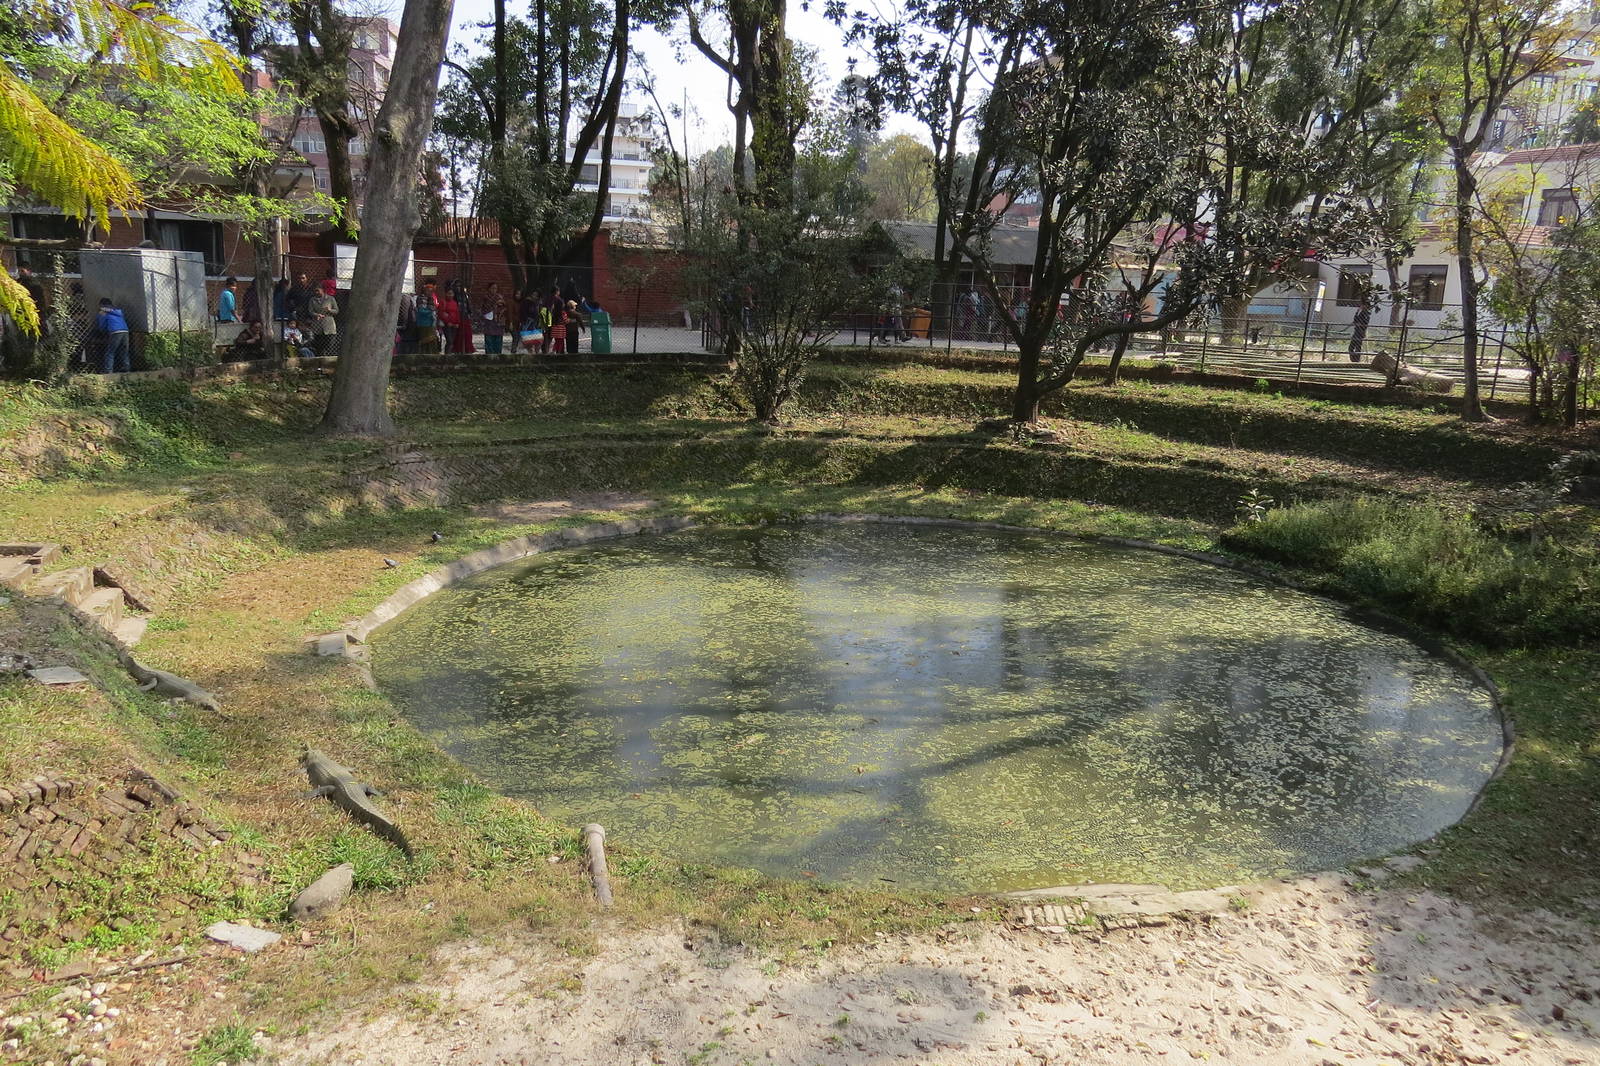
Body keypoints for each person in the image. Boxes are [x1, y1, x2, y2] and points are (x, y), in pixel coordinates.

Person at [93, 297, 131, 374]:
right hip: (125, 331)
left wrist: (102, 331)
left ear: (102, 305)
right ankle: (126, 368)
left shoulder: (102, 312)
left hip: (115, 331)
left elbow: (102, 325)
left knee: (110, 352)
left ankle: (108, 370)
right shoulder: (117, 311)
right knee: (124, 351)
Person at [306, 278, 339, 357]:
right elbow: (310, 311)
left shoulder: (330, 299)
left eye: (318, 290)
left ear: (322, 290)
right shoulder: (312, 300)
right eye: (315, 291)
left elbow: (336, 310)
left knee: (329, 344)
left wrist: (330, 310)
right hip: (318, 325)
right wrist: (316, 315)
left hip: (328, 325)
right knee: (319, 346)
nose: (316, 292)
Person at [480, 281, 507, 357]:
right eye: (492, 288)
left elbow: (504, 309)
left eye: (495, 288)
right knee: (489, 339)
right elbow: (483, 309)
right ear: (489, 289)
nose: (494, 290)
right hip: (489, 322)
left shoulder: (499, 298)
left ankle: (498, 355)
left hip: (498, 322)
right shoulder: (485, 298)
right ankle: (489, 355)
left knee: (498, 340)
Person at [449, 280, 475, 355]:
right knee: (458, 334)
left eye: (460, 286)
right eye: (457, 286)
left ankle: (467, 348)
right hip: (457, 317)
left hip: (465, 316)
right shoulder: (453, 296)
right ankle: (458, 349)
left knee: (467, 333)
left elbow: (467, 305)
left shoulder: (464, 295)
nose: (458, 288)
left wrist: (469, 313)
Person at [415, 281, 440, 354]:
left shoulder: (431, 299)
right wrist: (430, 312)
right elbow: (420, 311)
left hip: (431, 322)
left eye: (431, 290)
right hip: (423, 323)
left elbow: (434, 308)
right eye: (428, 290)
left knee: (432, 341)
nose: (430, 291)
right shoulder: (420, 298)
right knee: (425, 341)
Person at [436, 284, 461, 353]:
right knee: (449, 340)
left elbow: (457, 313)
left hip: (454, 325)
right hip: (447, 325)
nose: (450, 295)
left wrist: (457, 323)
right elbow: (441, 314)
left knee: (452, 341)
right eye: (449, 293)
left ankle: (449, 354)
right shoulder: (443, 302)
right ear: (446, 294)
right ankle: (447, 355)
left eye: (452, 294)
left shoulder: (455, 303)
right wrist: (447, 322)